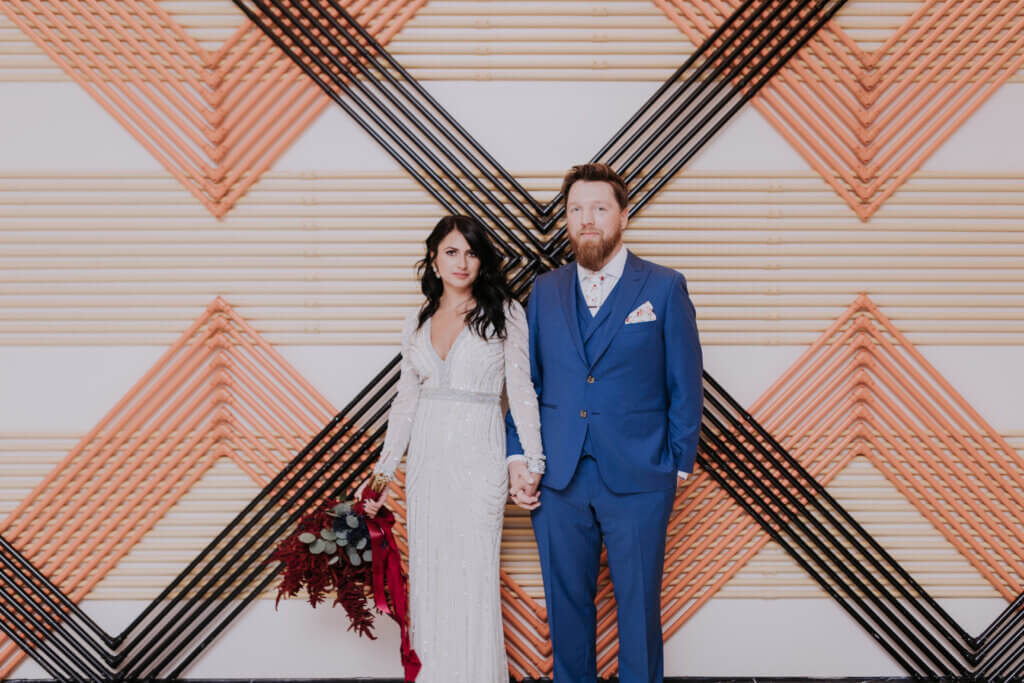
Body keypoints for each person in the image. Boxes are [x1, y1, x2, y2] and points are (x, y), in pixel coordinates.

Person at [506, 163, 703, 683]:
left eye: (598, 208)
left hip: (639, 475)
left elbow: (685, 378)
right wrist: (517, 456)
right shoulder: (544, 291)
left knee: (638, 613)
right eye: (575, 210)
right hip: (560, 475)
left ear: (624, 215)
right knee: (566, 612)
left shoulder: (663, 287)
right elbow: (527, 383)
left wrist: (677, 464)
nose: (586, 219)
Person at [361, 215, 545, 683]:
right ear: (434, 259)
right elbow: (405, 403)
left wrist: (532, 463)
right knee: (431, 580)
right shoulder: (417, 321)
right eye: (452, 252)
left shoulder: (505, 313)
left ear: (482, 261)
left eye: (471, 252)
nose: (462, 262)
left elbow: (522, 392)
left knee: (473, 580)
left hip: (479, 460)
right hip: (426, 466)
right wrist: (382, 478)